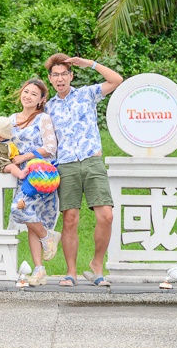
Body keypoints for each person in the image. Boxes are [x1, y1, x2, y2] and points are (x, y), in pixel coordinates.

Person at [44, 53, 123, 287]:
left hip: (92, 160)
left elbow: (117, 80)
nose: (60, 79)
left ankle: (96, 265)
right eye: (55, 75)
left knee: (106, 216)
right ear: (50, 79)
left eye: (64, 74)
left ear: (71, 75)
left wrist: (90, 63)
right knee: (69, 219)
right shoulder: (48, 108)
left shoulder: (86, 94)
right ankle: (71, 272)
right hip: (66, 164)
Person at [0, 79, 60, 285]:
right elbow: (0, 143)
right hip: (20, 175)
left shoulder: (43, 119)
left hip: (39, 174)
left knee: (19, 209)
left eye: (34, 94)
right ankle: (39, 269)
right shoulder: (11, 120)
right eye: (26, 91)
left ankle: (47, 235)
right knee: (31, 220)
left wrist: (24, 157)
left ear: (41, 100)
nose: (28, 96)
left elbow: (50, 147)